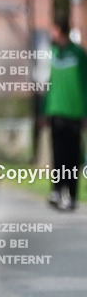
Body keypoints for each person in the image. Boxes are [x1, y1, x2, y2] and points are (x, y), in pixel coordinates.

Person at [43, 18, 87, 211]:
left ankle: (72, 194)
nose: (50, 34)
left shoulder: (78, 54)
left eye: (53, 30)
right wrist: (44, 110)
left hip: (74, 113)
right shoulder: (52, 54)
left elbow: (85, 84)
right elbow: (49, 82)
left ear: (60, 31)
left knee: (72, 156)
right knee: (58, 155)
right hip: (55, 111)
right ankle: (57, 190)